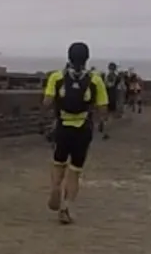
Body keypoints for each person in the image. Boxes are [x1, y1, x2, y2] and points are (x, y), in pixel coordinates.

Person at [43, 42, 110, 225]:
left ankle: (55, 187)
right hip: (82, 129)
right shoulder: (95, 80)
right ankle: (66, 207)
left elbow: (47, 102)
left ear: (68, 56)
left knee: (59, 163)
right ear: (86, 58)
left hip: (62, 127)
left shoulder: (57, 77)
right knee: (75, 170)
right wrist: (99, 121)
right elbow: (103, 108)